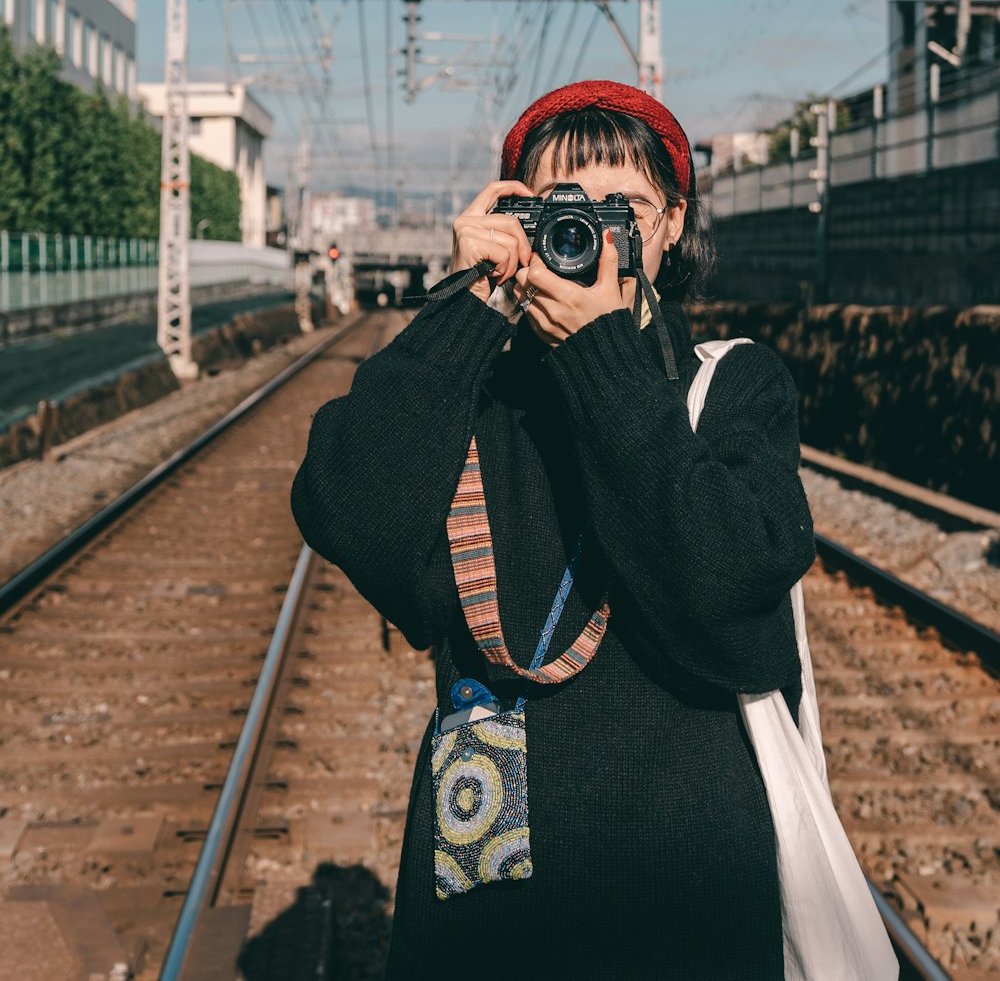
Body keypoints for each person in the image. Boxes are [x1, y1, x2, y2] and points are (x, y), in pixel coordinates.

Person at [291, 79, 816, 980]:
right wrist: (467, 306)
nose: (592, 235)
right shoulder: (473, 394)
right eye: (555, 211)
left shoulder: (731, 388)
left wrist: (602, 359)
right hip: (491, 892)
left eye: (624, 208)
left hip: (687, 890)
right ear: (512, 220)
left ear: (671, 225)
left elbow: (726, 592)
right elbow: (344, 507)